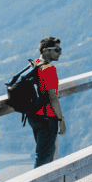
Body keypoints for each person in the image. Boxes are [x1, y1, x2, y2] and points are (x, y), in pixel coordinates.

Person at [28, 37, 67, 167]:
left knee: (42, 153)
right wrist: (61, 120)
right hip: (47, 117)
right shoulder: (48, 69)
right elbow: (53, 97)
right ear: (46, 50)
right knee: (45, 157)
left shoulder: (34, 64)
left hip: (33, 116)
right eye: (57, 49)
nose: (60, 52)